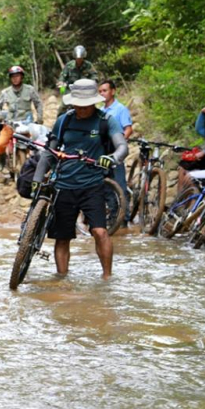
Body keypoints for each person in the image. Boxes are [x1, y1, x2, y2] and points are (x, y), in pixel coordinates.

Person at [31, 79, 128, 279]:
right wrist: (37, 179)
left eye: (85, 105)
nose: (81, 109)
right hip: (64, 185)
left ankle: (107, 278)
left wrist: (111, 159)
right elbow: (50, 152)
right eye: (77, 104)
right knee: (62, 237)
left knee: (100, 232)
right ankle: (62, 278)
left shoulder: (106, 121)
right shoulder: (64, 121)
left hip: (92, 185)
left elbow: (122, 147)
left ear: (94, 102)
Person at [0, 66, 43, 172]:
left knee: (38, 146)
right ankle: (2, 162)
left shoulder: (30, 90)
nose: (15, 78)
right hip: (10, 124)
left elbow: (38, 103)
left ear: (22, 77)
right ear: (10, 78)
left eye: (17, 76)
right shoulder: (5, 92)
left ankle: (37, 166)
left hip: (27, 125)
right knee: (0, 144)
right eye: (13, 76)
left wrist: (39, 117)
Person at [98, 79, 133, 225]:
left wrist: (120, 144)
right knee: (105, 186)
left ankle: (124, 218)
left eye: (105, 91)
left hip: (116, 151)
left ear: (113, 91)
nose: (102, 94)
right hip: (102, 151)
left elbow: (128, 128)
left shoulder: (120, 109)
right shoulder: (100, 111)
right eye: (100, 91)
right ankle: (113, 215)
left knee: (119, 184)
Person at [57, 46, 99, 115]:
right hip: (71, 90)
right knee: (63, 106)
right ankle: (59, 121)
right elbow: (62, 76)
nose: (79, 60)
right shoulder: (69, 65)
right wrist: (61, 83)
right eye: (77, 58)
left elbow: (94, 75)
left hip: (85, 90)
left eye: (80, 58)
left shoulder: (88, 65)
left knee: (92, 105)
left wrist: (93, 81)